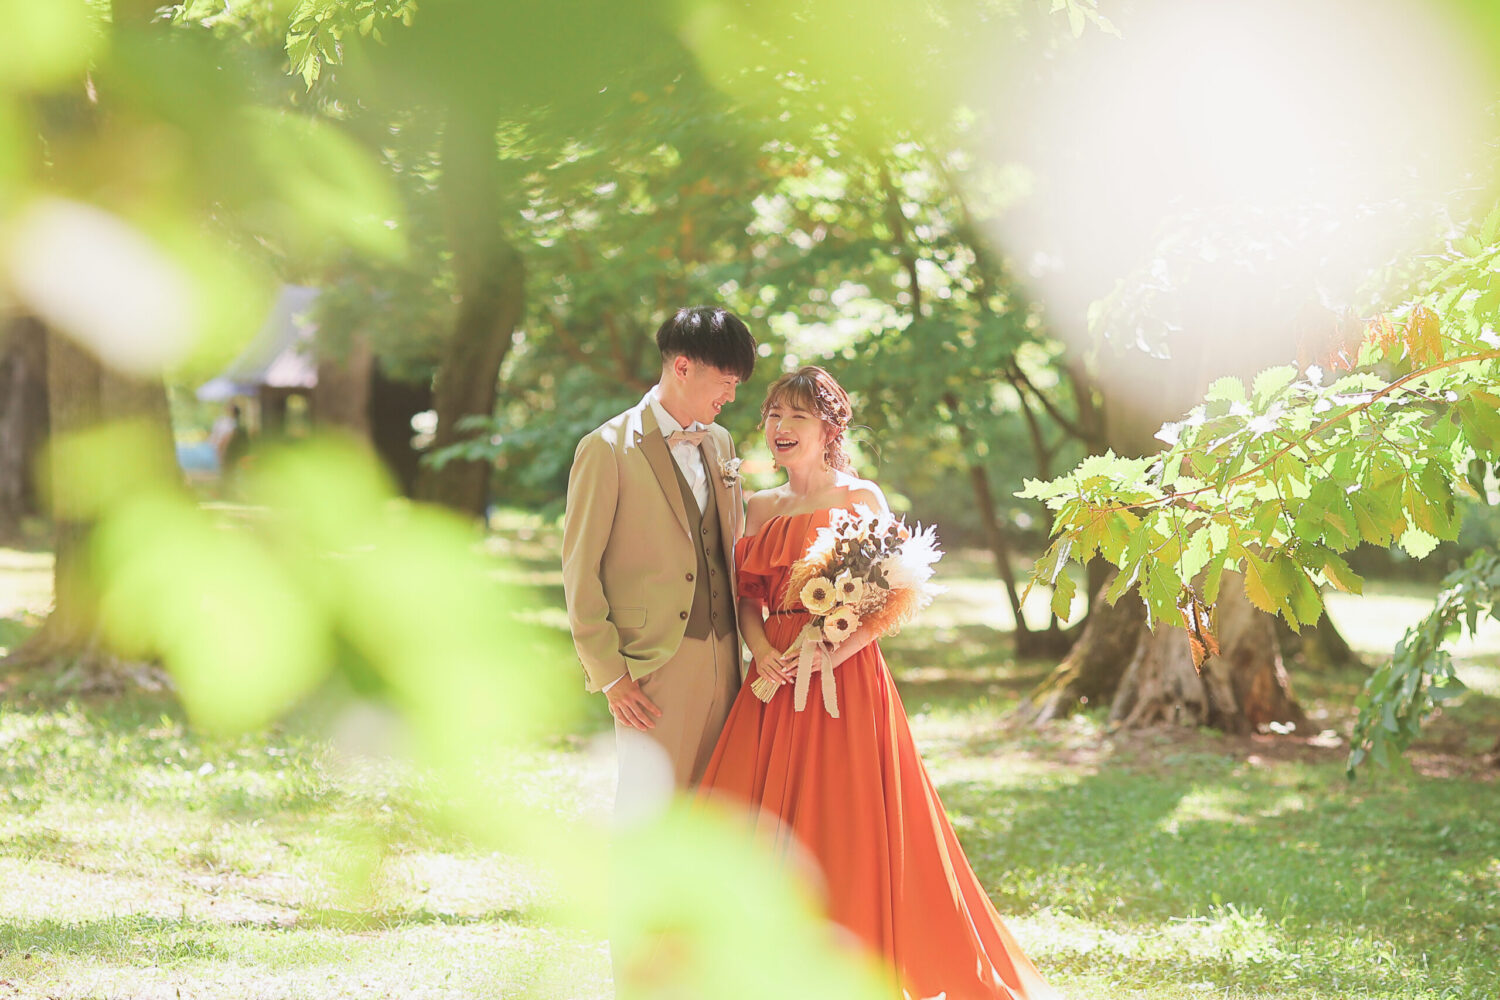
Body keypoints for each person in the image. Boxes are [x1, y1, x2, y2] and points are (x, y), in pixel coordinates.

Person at [700, 366, 1062, 1000]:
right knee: (756, 815)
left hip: (844, 676)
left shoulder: (860, 497)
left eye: (797, 416)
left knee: (847, 814)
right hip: (776, 678)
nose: (781, 427)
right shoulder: (757, 506)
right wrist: (763, 652)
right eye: (774, 415)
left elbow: (894, 598)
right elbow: (747, 601)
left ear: (829, 428)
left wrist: (832, 653)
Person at [561, 306, 758, 821]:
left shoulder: (720, 442)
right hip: (652, 665)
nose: (731, 395)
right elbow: (580, 571)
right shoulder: (606, 448)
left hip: (725, 658)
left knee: (714, 811)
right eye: (726, 381)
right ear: (683, 367)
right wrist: (611, 675)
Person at [210, 402, 251, 493]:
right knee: (227, 471)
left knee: (227, 471)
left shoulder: (234, 424)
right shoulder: (225, 422)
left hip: (229, 451)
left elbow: (227, 437)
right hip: (228, 451)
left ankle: (226, 490)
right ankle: (226, 490)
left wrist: (220, 448)